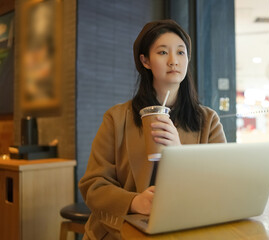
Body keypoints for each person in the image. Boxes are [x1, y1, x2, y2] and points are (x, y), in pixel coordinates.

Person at [78, 19, 226, 239]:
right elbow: (93, 186)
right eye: (163, 52)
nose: (174, 61)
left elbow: (221, 184)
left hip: (185, 227)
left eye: (181, 52)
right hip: (121, 231)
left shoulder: (208, 120)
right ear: (145, 60)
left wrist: (180, 153)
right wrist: (136, 202)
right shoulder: (117, 118)